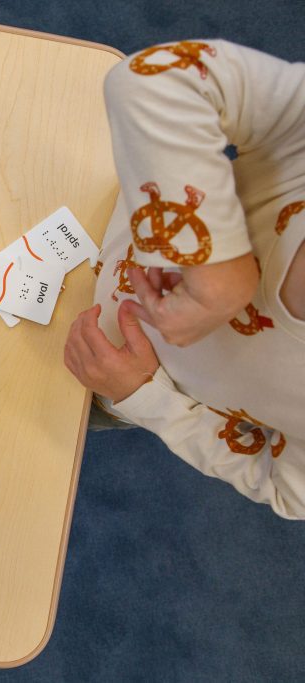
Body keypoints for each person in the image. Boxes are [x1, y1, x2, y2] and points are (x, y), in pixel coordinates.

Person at [63, 40, 305, 519]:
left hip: (102, 379)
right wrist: (222, 277)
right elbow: (153, 78)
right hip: (87, 211)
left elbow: (284, 488)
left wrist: (144, 397)